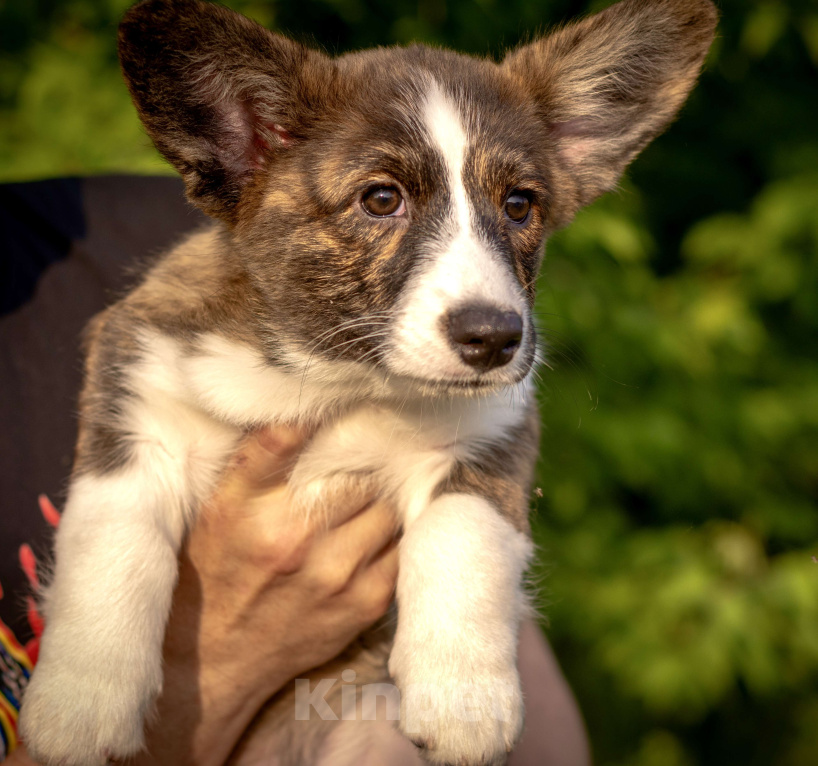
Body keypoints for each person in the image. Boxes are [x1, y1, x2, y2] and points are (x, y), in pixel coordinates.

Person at [0, 177, 590, 765]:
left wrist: (464, 627)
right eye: (382, 201)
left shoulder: (208, 207)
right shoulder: (187, 291)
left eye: (516, 206)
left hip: (362, 720)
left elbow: (538, 740)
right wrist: (181, 663)